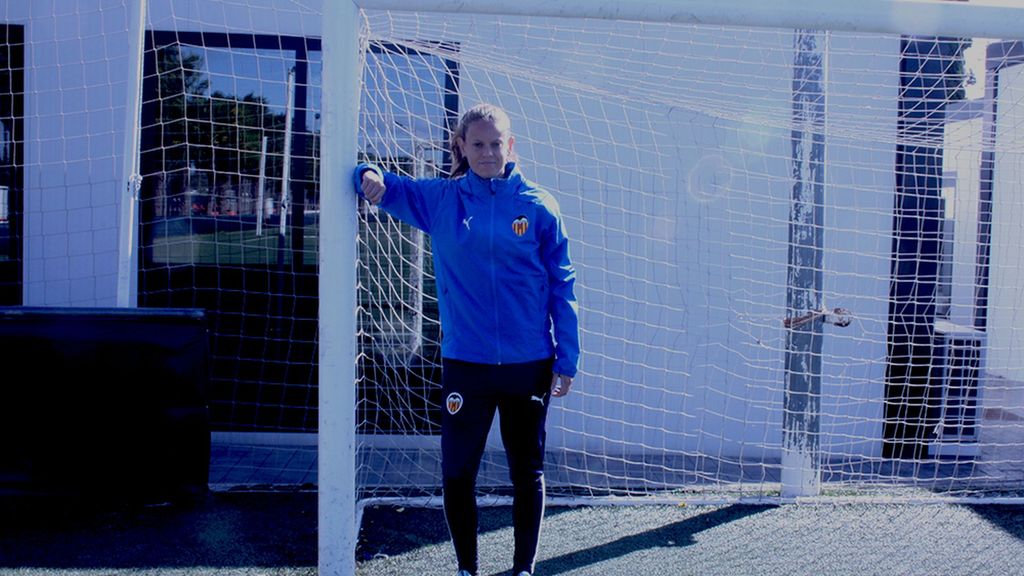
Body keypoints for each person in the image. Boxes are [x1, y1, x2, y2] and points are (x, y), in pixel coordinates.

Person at [355, 103, 579, 576]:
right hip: (466, 365)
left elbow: (563, 284)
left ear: (510, 145)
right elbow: (386, 186)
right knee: (458, 474)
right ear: (460, 146)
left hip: (528, 365)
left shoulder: (539, 206)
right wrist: (366, 171)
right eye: (477, 144)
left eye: (496, 143)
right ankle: (467, 569)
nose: (487, 152)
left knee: (527, 473)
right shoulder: (442, 200)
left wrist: (568, 356)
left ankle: (522, 569)